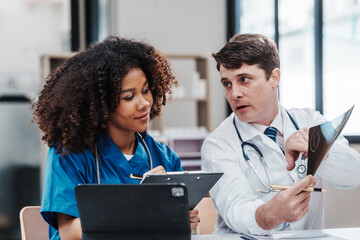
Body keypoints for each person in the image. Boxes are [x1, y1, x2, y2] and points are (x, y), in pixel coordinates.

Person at [32, 36, 200, 240]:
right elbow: (70, 232)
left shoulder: (164, 157)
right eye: (129, 97)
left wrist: (182, 221)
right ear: (100, 107)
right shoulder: (69, 154)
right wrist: (143, 208)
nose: (144, 103)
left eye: (146, 91)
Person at [201, 33, 360, 235]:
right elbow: (236, 209)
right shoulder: (218, 144)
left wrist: (319, 151)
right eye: (227, 84)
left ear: (274, 78)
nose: (234, 94)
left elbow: (354, 175)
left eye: (244, 79)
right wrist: (271, 214)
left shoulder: (309, 121)